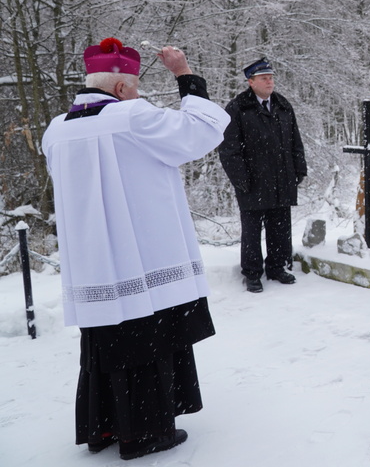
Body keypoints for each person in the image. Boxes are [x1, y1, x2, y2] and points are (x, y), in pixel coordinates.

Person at [41, 38, 230, 459]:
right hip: (140, 252)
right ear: (123, 88)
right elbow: (201, 133)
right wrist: (184, 74)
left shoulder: (56, 129)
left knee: (105, 338)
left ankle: (104, 426)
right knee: (145, 336)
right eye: (136, 88)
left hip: (91, 258)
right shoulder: (131, 116)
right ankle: (145, 433)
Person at [218, 58, 307, 293]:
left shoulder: (283, 105)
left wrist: (299, 168)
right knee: (252, 231)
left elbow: (294, 141)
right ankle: (252, 273)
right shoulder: (238, 108)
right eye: (264, 78)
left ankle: (277, 267)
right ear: (251, 82)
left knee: (280, 227)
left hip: (281, 178)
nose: (270, 82)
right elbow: (229, 150)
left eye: (271, 78)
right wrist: (241, 180)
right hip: (252, 182)